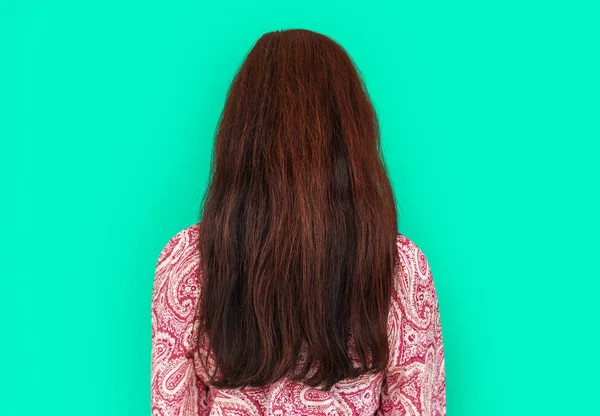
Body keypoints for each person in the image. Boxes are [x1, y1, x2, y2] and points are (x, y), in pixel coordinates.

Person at [150, 29, 446, 415]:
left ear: (242, 135)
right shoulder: (401, 269)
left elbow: (172, 408)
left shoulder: (186, 261)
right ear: (350, 136)